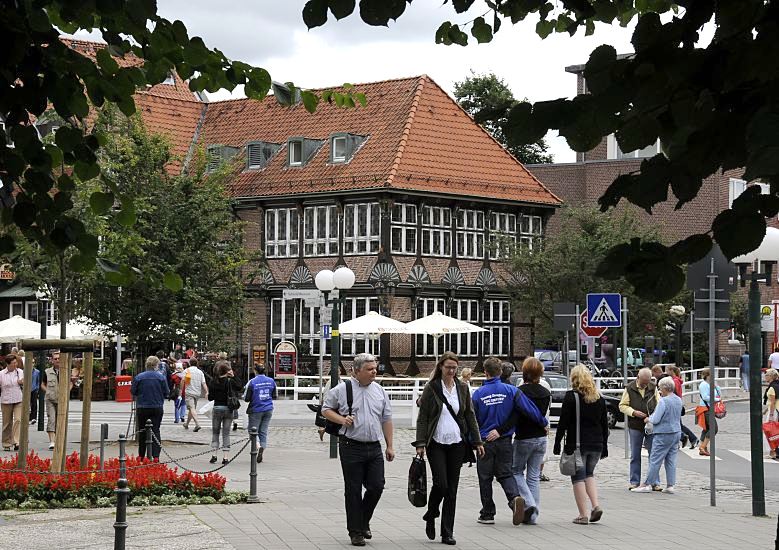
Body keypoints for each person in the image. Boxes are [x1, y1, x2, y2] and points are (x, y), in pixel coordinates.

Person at [321, 353, 394, 547]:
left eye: (375, 368)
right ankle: (356, 531)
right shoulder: (342, 389)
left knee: (377, 486)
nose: (374, 372)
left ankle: (362, 521)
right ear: (357, 371)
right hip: (351, 445)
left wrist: (390, 445)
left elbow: (386, 418)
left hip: (374, 446)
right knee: (353, 490)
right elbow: (326, 409)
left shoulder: (379, 390)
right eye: (370, 369)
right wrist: (342, 420)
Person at [414, 352, 483, 545]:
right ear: (441, 367)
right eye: (448, 367)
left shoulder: (462, 388)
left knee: (452, 490)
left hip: (457, 443)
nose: (451, 370)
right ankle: (432, 512)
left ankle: (447, 532)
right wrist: (420, 443)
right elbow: (423, 418)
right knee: (441, 484)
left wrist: (477, 442)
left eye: (454, 367)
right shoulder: (432, 388)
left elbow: (470, 415)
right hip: (436, 442)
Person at [472, 356, 547, 527]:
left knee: (485, 478)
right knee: (505, 474)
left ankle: (487, 513)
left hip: (484, 441)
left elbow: (472, 420)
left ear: (485, 372)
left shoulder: (478, 394)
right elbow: (529, 409)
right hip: (505, 439)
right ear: (500, 372)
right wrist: (543, 422)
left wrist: (472, 441)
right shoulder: (511, 391)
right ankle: (514, 499)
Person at [553, 365, 609, 525]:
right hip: (597, 444)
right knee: (589, 475)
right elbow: (604, 424)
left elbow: (563, 422)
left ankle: (583, 514)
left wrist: (557, 443)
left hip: (577, 445)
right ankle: (595, 505)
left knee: (578, 478)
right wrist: (605, 446)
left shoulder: (571, 397)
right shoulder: (599, 397)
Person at [506, 357, 551, 525]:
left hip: (524, 437)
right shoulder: (546, 393)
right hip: (541, 437)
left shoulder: (519, 392)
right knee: (533, 476)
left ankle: (530, 504)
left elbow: (515, 415)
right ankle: (532, 516)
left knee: (516, 471)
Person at [632, 376, 683, 493]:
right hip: (676, 431)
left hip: (663, 433)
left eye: (660, 388)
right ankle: (670, 485)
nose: (659, 390)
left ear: (664, 388)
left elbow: (656, 419)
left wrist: (648, 419)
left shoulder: (663, 401)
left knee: (655, 459)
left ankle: (646, 484)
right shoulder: (678, 400)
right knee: (671, 459)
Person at [619, 367, 659, 489]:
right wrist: (633, 412)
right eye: (643, 382)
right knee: (635, 455)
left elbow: (659, 403)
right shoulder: (630, 388)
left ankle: (655, 482)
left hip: (651, 425)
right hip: (635, 425)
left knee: (654, 454)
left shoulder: (653, 387)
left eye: (647, 382)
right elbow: (622, 406)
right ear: (638, 377)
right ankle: (634, 481)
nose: (645, 384)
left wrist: (653, 417)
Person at [130, 356, 168, 460]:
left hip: (142, 406)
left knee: (142, 430)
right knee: (155, 430)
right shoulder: (161, 377)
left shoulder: (139, 377)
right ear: (156, 365)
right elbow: (166, 392)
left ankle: (141, 455)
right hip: (157, 406)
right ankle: (155, 456)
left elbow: (133, 391)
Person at [207, 360, 243, 464]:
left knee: (215, 432)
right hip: (228, 409)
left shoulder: (213, 382)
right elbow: (240, 387)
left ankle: (214, 455)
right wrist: (233, 376)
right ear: (227, 371)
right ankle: (225, 457)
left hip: (217, 408)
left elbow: (210, 398)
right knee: (226, 433)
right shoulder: (230, 381)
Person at [245, 363, 276, 463]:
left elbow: (247, 398)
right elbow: (274, 395)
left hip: (256, 409)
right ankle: (262, 447)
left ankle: (257, 446)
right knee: (263, 431)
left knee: (252, 431)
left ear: (255, 371)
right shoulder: (271, 381)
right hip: (268, 408)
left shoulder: (252, 382)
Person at [40, 351, 69, 450]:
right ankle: (52, 441)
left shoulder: (66, 370)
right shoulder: (47, 371)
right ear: (52, 360)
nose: (57, 360)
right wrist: (47, 390)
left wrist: (66, 391)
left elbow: (71, 383)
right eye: (55, 358)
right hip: (50, 399)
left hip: (62, 399)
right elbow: (42, 384)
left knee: (60, 419)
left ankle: (59, 439)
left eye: (59, 358)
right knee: (51, 419)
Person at [667, 365, 698, 448]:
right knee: (678, 424)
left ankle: (688, 438)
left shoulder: (675, 381)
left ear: (671, 371)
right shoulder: (676, 380)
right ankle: (688, 438)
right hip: (677, 404)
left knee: (677, 424)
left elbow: (674, 392)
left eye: (667, 370)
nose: (666, 372)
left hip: (675, 404)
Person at [0, 354, 24, 451]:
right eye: (13, 363)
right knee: (7, 423)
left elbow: (24, 382)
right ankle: (6, 443)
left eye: (16, 362)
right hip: (6, 400)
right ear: (8, 364)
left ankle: (16, 441)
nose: (15, 364)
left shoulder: (20, 372)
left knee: (18, 419)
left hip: (18, 399)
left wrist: (22, 382)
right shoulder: (1, 374)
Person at [695, 368, 720, 457]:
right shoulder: (704, 385)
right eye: (711, 375)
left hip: (709, 408)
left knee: (707, 428)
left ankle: (703, 447)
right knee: (714, 428)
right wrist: (717, 399)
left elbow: (718, 394)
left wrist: (716, 387)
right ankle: (703, 446)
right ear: (707, 376)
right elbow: (705, 397)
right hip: (705, 408)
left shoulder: (710, 384)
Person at [181, 358, 207, 432]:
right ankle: (187, 424)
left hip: (189, 392)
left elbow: (183, 380)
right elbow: (203, 383)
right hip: (197, 393)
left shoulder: (186, 371)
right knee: (192, 409)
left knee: (192, 408)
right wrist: (206, 391)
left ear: (190, 363)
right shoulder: (200, 372)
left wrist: (180, 390)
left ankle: (197, 424)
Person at [763, 369, 779, 459]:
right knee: (775, 431)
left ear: (771, 377)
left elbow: (773, 402)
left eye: (767, 375)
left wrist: (771, 415)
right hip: (776, 410)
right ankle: (775, 451)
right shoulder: (777, 385)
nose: (765, 377)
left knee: (769, 431)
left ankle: (771, 452)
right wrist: (766, 410)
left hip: (774, 411)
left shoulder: (772, 387)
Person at [29, 357, 40, 425]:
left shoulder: (37, 372)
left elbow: (38, 381)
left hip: (34, 390)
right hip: (26, 390)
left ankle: (34, 418)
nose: (32, 364)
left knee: (34, 404)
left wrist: (37, 389)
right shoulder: (25, 371)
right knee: (27, 405)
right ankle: (28, 417)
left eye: (33, 362)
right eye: (31, 362)